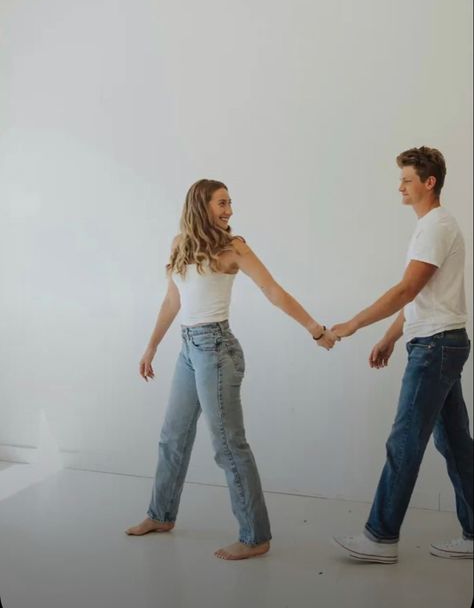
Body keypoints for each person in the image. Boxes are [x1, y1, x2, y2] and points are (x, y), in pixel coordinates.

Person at [126, 179, 337, 560]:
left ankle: (255, 536)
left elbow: (274, 291)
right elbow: (173, 299)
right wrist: (152, 345)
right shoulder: (180, 245)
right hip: (189, 350)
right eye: (222, 203)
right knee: (172, 436)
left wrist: (315, 329)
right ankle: (160, 515)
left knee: (228, 446)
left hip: (217, 351)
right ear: (201, 206)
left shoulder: (234, 248)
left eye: (230, 203)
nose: (229, 211)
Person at [331, 146, 473, 563]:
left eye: (407, 180)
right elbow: (422, 297)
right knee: (457, 445)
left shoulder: (436, 226)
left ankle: (380, 538)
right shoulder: (432, 225)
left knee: (405, 442)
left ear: (429, 183)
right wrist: (393, 336)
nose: (401, 187)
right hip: (438, 341)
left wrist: (354, 324)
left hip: (435, 348)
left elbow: (405, 290)